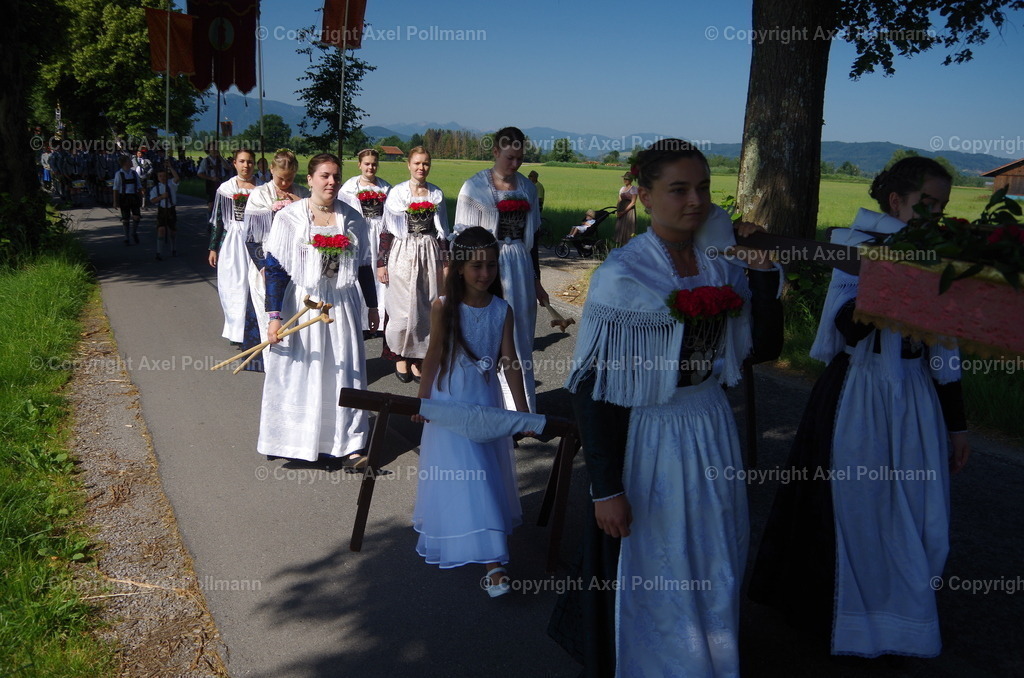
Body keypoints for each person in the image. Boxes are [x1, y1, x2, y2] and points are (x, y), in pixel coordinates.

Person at [553, 139, 783, 676]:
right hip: (651, 434)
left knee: (715, 548)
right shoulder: (624, 275)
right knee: (663, 557)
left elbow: (761, 352)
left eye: (702, 187)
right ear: (645, 196)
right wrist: (605, 488)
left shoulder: (719, 266)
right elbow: (593, 387)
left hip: (711, 425)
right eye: (678, 189)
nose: (695, 200)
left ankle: (711, 656)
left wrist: (766, 275)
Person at [748, 156, 969, 659]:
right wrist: (894, 288)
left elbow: (945, 354)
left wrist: (956, 427)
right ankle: (834, 614)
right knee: (854, 505)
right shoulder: (857, 249)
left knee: (913, 508)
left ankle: (902, 611)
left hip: (914, 397)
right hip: (858, 393)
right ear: (896, 202)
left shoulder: (937, 258)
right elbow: (847, 327)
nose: (935, 215)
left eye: (942, 207)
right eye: (926, 205)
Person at [410, 227, 537, 597]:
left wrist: (523, 411)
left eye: (492, 266)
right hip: (450, 398)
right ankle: (493, 562)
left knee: (485, 469)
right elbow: (433, 354)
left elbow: (510, 361)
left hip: (485, 398)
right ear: (461, 267)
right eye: (478, 266)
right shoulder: (443, 306)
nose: (486, 274)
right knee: (466, 473)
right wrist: (422, 399)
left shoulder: (502, 309)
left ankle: (488, 550)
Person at [258, 153, 379, 468]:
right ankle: (299, 440)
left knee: (344, 370)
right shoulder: (291, 218)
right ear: (310, 179)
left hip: (342, 304)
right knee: (307, 370)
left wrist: (373, 305)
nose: (331, 182)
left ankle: (350, 442)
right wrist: (274, 319)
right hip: (305, 304)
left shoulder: (352, 218)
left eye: (336, 176)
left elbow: (364, 265)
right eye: (324, 176)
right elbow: (275, 269)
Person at [454, 126, 548, 412]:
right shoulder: (475, 187)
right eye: (510, 158)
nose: (516, 164)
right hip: (487, 266)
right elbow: (462, 240)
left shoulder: (528, 188)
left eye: (520, 159)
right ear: (495, 151)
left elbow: (532, 243)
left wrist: (536, 280)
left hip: (518, 266)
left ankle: (520, 409)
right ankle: (487, 406)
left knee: (520, 335)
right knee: (488, 333)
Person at [378, 146, 448, 383]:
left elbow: (443, 233)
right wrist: (381, 263)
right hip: (403, 252)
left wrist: (446, 263)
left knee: (425, 306)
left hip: (429, 252)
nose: (421, 168)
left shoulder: (436, 194)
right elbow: (386, 231)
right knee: (400, 308)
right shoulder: (397, 193)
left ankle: (418, 360)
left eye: (426, 163)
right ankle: (399, 355)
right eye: (417, 163)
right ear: (408, 165)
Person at [240, 149, 309, 367]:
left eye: (289, 178)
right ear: (271, 170)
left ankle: (297, 366)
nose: (285, 183)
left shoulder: (301, 193)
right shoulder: (259, 195)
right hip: (267, 262)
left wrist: (300, 202)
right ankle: (273, 366)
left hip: (296, 264)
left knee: (296, 316)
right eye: (281, 178)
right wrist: (262, 266)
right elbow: (251, 237)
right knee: (270, 317)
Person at [208, 148, 263, 345]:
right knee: (234, 286)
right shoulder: (226, 189)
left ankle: (255, 329)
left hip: (256, 241)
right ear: (235, 163)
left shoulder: (263, 188)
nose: (246, 165)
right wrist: (214, 247)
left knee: (255, 285)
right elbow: (219, 221)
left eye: (249, 161)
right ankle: (237, 331)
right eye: (242, 161)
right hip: (233, 242)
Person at [341, 148, 393, 334]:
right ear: (359, 165)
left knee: (380, 275)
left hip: (379, 233)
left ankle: (379, 321)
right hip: (360, 234)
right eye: (367, 164)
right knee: (361, 272)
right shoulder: (348, 188)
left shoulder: (386, 188)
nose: (370, 167)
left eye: (374, 164)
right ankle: (361, 320)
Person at [149, 159, 180, 261]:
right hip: (162, 210)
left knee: (173, 231)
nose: (163, 178)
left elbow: (177, 178)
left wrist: (170, 167)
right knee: (161, 230)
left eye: (164, 176)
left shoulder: (171, 184)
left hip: (171, 209)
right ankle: (159, 252)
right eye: (160, 176)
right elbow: (153, 200)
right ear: (158, 178)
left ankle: (173, 248)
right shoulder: (155, 188)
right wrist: (161, 197)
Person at [112, 156, 142, 245]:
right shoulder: (119, 174)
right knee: (125, 219)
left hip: (134, 196)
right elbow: (115, 189)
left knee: (137, 216)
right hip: (124, 197)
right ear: (125, 163)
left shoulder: (134, 173)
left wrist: (141, 197)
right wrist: (115, 201)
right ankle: (126, 237)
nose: (131, 162)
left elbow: (139, 186)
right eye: (129, 161)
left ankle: (134, 232)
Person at [197, 144, 230, 215]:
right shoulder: (205, 161)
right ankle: (210, 221)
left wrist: (220, 157)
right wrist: (211, 178)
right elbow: (199, 173)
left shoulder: (221, 160)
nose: (214, 149)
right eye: (212, 148)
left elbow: (228, 168)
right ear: (209, 150)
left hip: (221, 182)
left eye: (216, 147)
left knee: (222, 203)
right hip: (211, 183)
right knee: (211, 204)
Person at [613, 172, 638, 247]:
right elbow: (619, 200)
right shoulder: (622, 189)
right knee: (620, 228)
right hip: (621, 209)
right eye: (625, 179)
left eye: (627, 179)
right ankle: (620, 247)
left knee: (628, 228)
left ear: (631, 180)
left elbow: (633, 202)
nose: (625, 180)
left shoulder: (633, 189)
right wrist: (617, 209)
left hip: (629, 211)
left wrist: (623, 212)